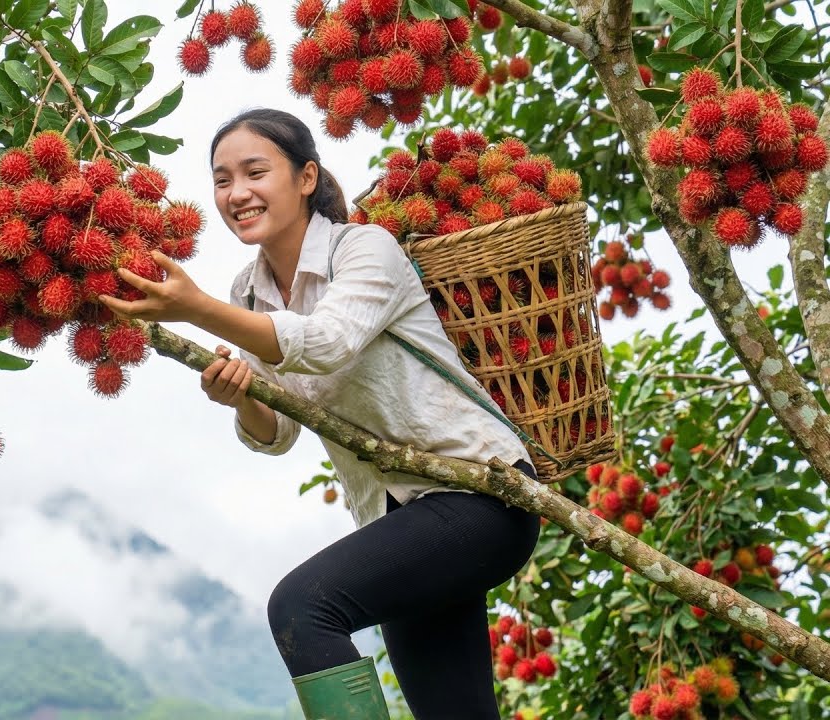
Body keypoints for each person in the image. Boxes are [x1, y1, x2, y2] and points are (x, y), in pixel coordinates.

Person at [97, 108, 541, 720]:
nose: (237, 193)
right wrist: (243, 396)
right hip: (398, 519)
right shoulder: (247, 296)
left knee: (303, 608)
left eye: (256, 172)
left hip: (480, 495)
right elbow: (277, 433)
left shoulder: (365, 249)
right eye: (222, 180)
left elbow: (327, 342)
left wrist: (195, 309)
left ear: (307, 178)